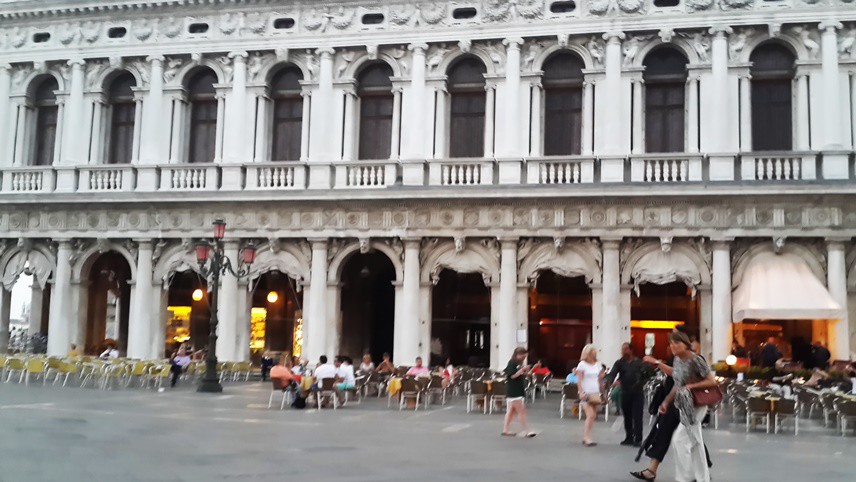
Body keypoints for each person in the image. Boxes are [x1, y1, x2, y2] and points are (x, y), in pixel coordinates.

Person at [658, 331, 717, 482]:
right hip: (684, 404)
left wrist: (692, 386)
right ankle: (702, 478)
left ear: (685, 344)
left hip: (697, 404)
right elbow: (678, 383)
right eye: (671, 343)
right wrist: (666, 401)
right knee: (696, 442)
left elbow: (712, 381)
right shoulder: (677, 360)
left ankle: (685, 478)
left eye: (677, 343)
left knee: (679, 439)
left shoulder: (696, 359)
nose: (673, 346)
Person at [609, 343, 645, 447]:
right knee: (627, 416)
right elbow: (613, 373)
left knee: (637, 417)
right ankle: (629, 437)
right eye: (622, 349)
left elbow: (645, 375)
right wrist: (609, 381)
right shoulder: (619, 363)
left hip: (638, 393)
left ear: (631, 350)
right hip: (625, 393)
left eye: (625, 349)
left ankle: (638, 439)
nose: (623, 352)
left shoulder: (639, 362)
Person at [501, 347, 536, 438]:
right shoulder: (512, 362)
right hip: (514, 391)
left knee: (511, 411)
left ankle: (505, 429)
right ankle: (527, 430)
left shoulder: (518, 363)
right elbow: (512, 375)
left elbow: (522, 374)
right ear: (518, 354)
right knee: (521, 411)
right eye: (523, 356)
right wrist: (522, 370)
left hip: (517, 390)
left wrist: (527, 370)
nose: (524, 358)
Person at [575, 344, 604, 447]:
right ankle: (587, 437)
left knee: (593, 416)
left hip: (595, 392)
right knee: (590, 414)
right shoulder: (582, 364)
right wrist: (581, 392)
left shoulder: (598, 364)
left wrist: (602, 392)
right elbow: (579, 380)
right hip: (586, 392)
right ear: (588, 352)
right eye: (593, 351)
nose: (595, 352)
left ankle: (586, 435)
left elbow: (599, 380)